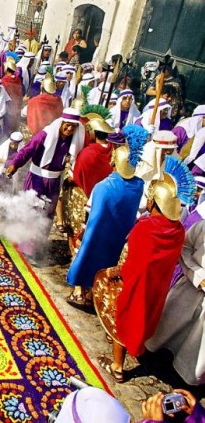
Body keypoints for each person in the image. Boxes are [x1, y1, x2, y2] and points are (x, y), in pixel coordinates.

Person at [97, 156, 191, 383]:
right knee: (142, 320)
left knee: (124, 318)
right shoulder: (177, 231)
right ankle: (132, 346)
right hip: (157, 287)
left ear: (153, 203)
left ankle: (117, 367)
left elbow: (134, 261)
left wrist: (117, 272)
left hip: (135, 283)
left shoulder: (146, 228)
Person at [66, 134, 145, 308]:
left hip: (97, 234)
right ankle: (95, 294)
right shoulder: (139, 185)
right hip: (118, 236)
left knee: (86, 259)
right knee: (106, 263)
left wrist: (82, 233)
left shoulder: (103, 186)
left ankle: (80, 293)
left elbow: (90, 213)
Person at [146, 219, 205, 386]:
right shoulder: (202, 227)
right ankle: (150, 361)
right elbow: (184, 248)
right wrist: (198, 276)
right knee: (164, 330)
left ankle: (181, 382)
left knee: (195, 350)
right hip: (188, 289)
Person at [6, 108, 85, 216]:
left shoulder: (72, 140)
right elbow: (27, 150)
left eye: (73, 126)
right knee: (29, 208)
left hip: (54, 182)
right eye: (67, 124)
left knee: (46, 212)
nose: (70, 128)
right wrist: (15, 164)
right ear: (61, 123)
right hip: (37, 178)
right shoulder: (45, 135)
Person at [71, 118, 114, 197]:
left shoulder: (87, 153)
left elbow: (76, 177)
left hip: (85, 197)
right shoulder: (115, 151)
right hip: (106, 195)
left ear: (93, 133)